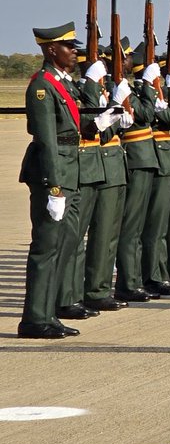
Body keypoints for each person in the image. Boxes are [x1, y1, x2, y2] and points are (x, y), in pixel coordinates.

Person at [19, 22, 108, 339]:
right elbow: (46, 141)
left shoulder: (63, 84)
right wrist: (54, 187)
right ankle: (34, 319)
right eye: (69, 47)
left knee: (64, 245)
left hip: (72, 172)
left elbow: (75, 126)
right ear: (51, 49)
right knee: (46, 247)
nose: (74, 52)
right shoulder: (42, 86)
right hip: (53, 176)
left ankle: (48, 312)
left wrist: (101, 118)